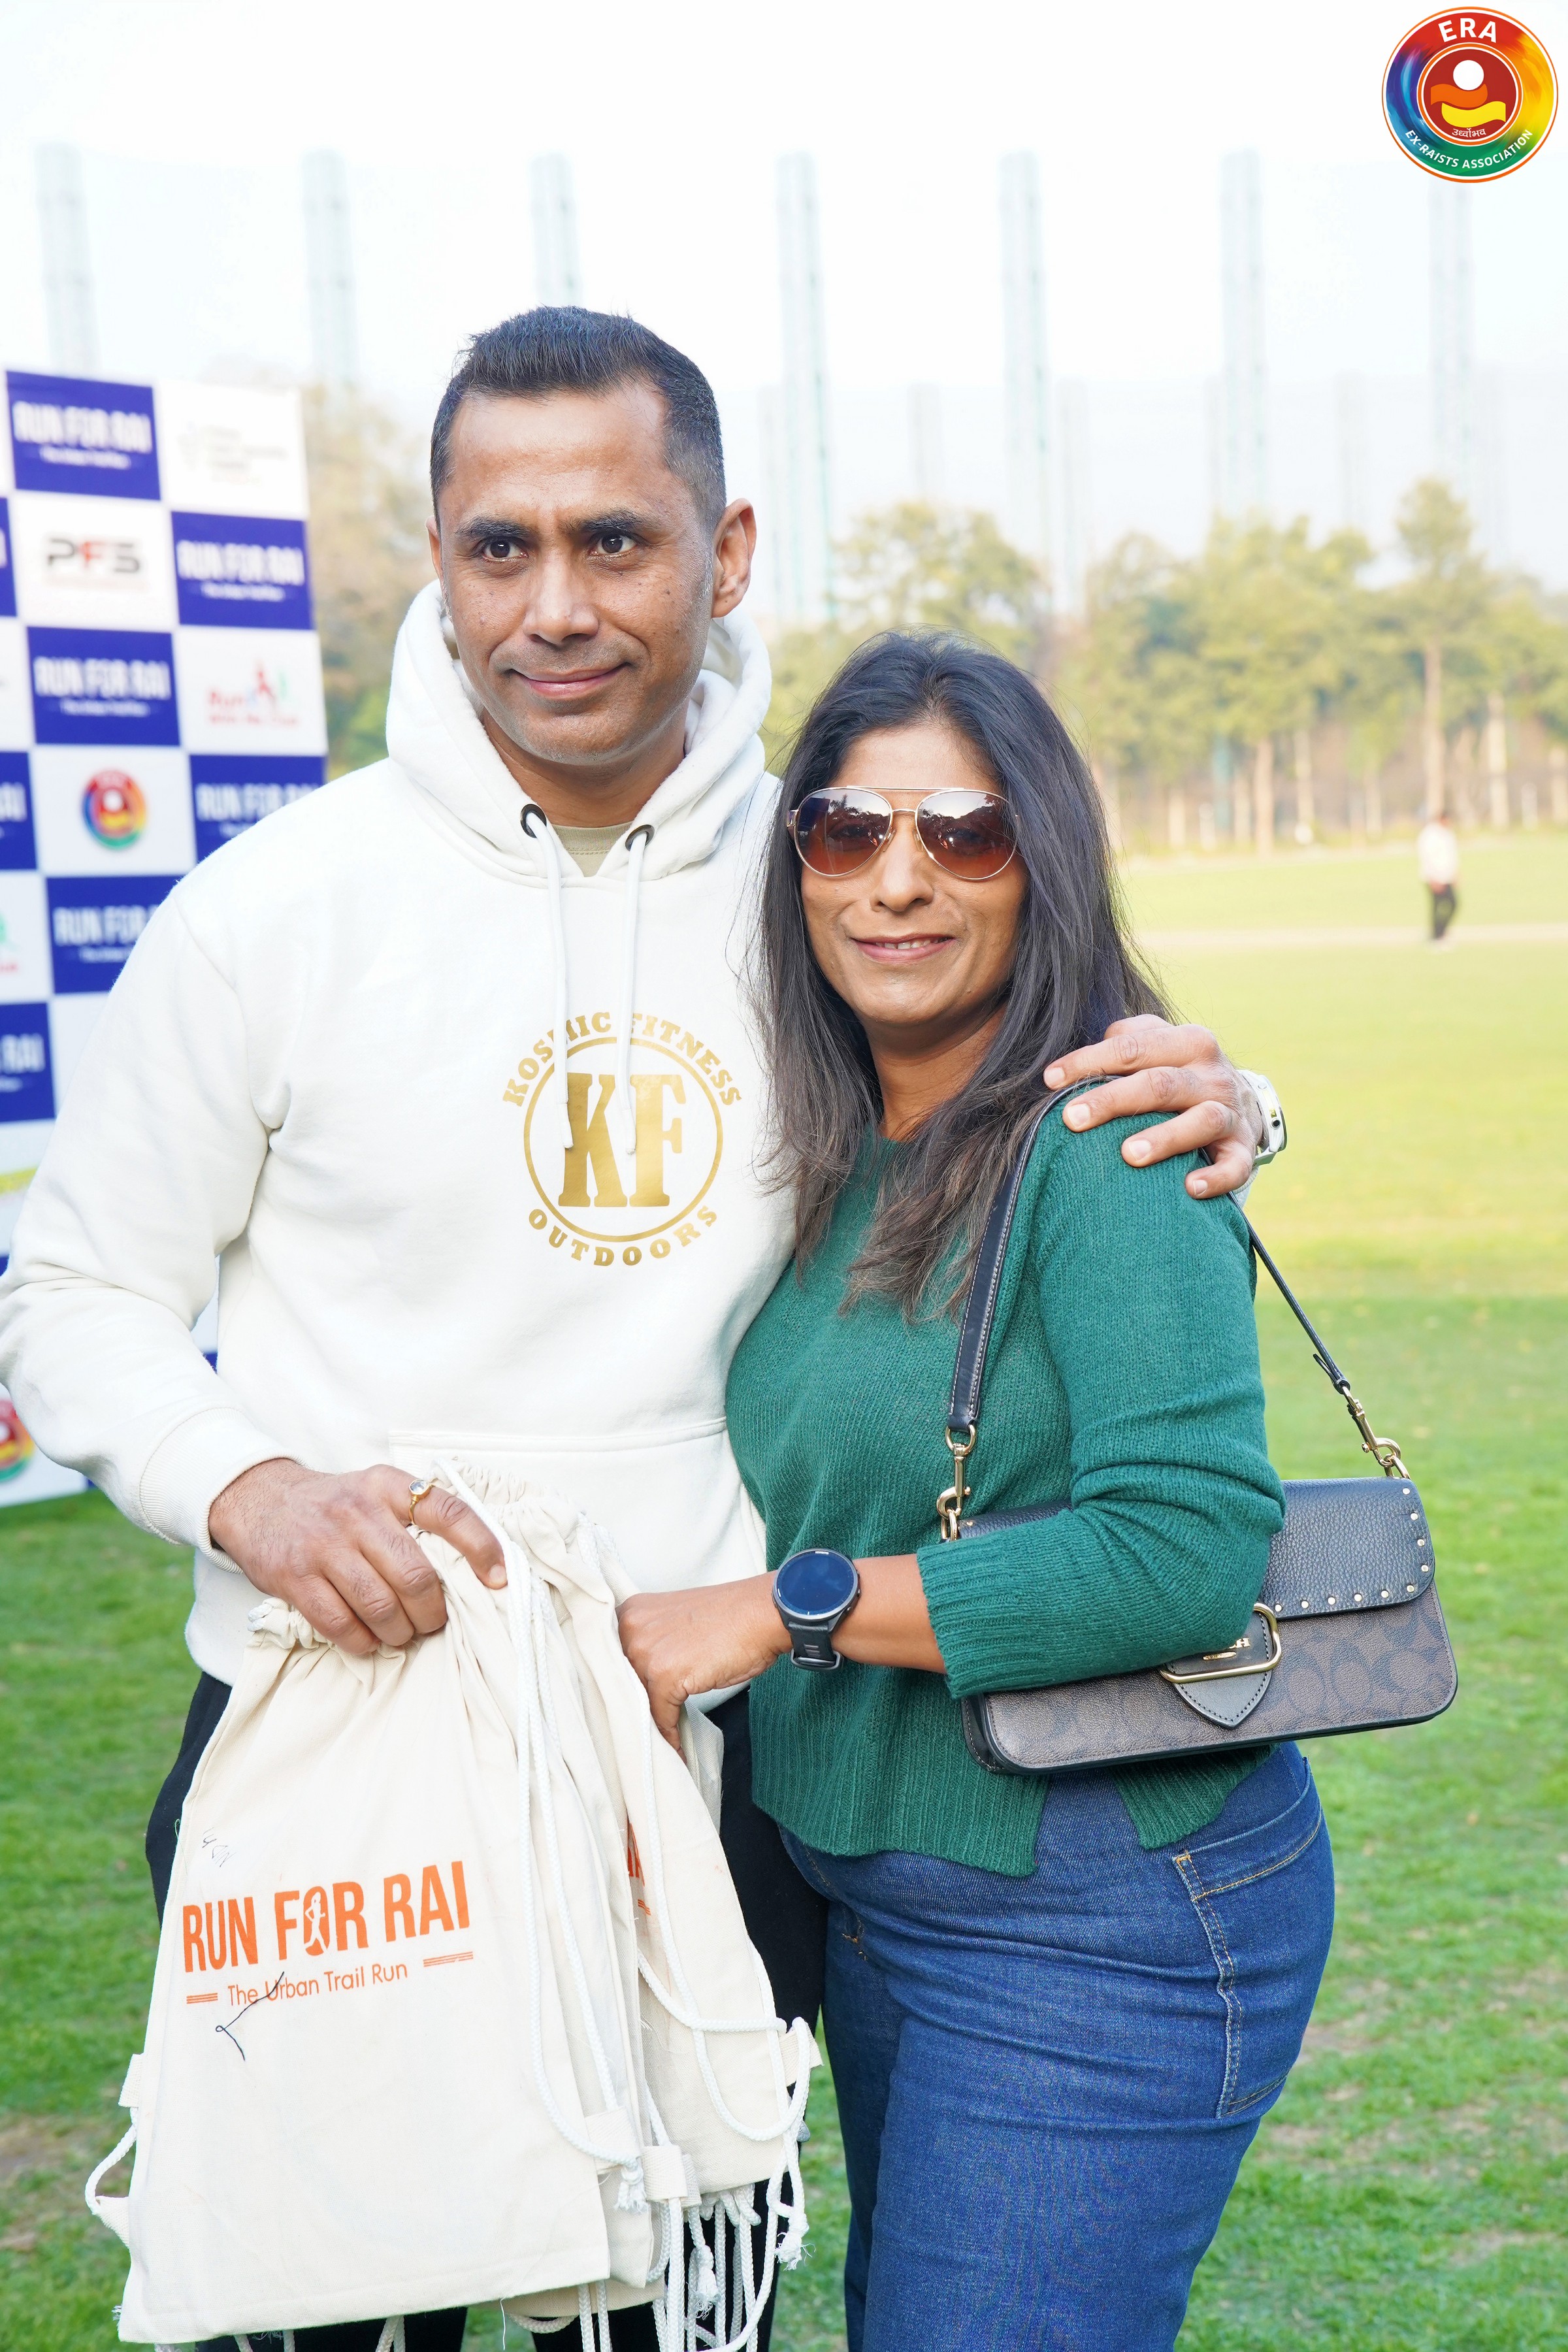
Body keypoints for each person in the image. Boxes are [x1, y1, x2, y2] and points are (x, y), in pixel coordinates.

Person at [0, 313, 1281, 2352]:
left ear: (725, 549)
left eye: (614, 540)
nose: (556, 608)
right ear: (437, 560)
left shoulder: (819, 874)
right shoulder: (271, 908)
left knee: (678, 2325)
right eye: (497, 548)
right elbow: (71, 1288)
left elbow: (1021, 1091)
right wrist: (245, 1487)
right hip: (334, 1740)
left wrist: (1229, 1102)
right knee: (321, 2313)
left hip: (703, 1759)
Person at [619, 634, 1335, 2352]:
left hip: (1095, 1912)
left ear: (1046, 863)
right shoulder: (822, 1139)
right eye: (848, 830)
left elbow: (1183, 1553)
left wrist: (782, 1610)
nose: (899, 879)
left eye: (967, 832)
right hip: (875, 1898)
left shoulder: (1105, 1140)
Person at [1416, 807, 1460, 941]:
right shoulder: (1430, 835)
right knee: (1436, 907)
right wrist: (1433, 879)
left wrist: (1455, 874)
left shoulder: (1448, 834)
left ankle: (1442, 932)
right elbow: (1427, 858)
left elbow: (1452, 856)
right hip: (1434, 878)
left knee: (1453, 903)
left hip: (1446, 877)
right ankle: (1436, 936)